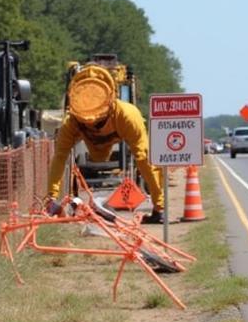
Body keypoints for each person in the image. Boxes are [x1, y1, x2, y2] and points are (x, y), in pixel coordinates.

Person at [46, 64, 167, 223]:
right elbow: (59, 158)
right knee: (71, 155)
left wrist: (159, 206)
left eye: (98, 121)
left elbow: (145, 160)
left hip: (119, 131)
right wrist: (51, 198)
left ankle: (160, 209)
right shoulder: (72, 123)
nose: (92, 124)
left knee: (144, 158)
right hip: (94, 146)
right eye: (87, 123)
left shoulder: (128, 116)